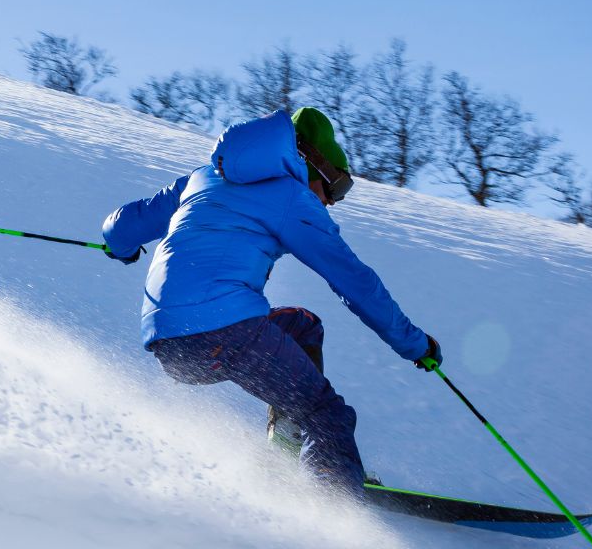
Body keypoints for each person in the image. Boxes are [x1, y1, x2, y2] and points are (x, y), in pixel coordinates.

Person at [101, 107, 442, 495]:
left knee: (303, 326)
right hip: (226, 331)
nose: (332, 201)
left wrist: (121, 248)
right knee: (326, 414)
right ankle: (333, 502)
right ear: (314, 165)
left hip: (169, 344)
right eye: (337, 188)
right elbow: (355, 282)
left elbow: (123, 225)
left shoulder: (203, 178)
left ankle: (285, 455)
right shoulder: (291, 198)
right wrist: (415, 344)